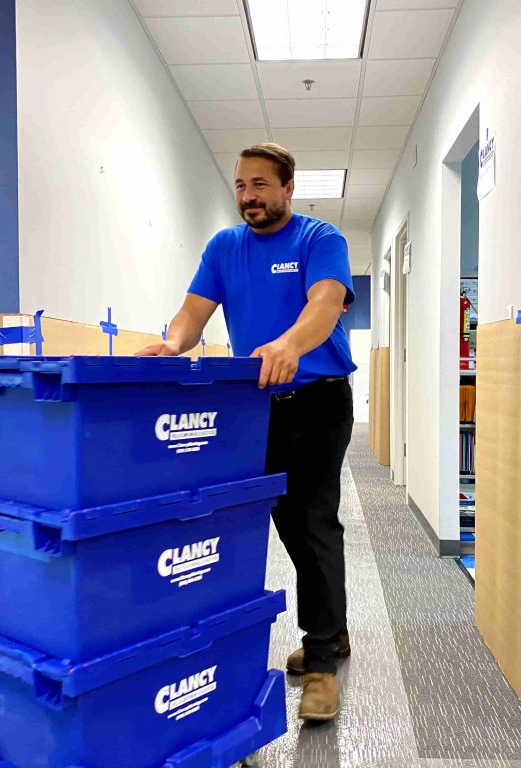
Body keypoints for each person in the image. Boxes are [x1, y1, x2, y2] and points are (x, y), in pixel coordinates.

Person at [136, 143, 356, 722]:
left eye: (260, 184)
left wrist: (288, 344)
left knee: (310, 523)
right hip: (252, 407)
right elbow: (193, 313)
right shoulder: (224, 246)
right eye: (240, 185)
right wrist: (172, 342)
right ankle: (333, 629)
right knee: (266, 519)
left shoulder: (319, 239)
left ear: (287, 187)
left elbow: (326, 303)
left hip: (317, 400)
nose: (249, 196)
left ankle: (322, 664)